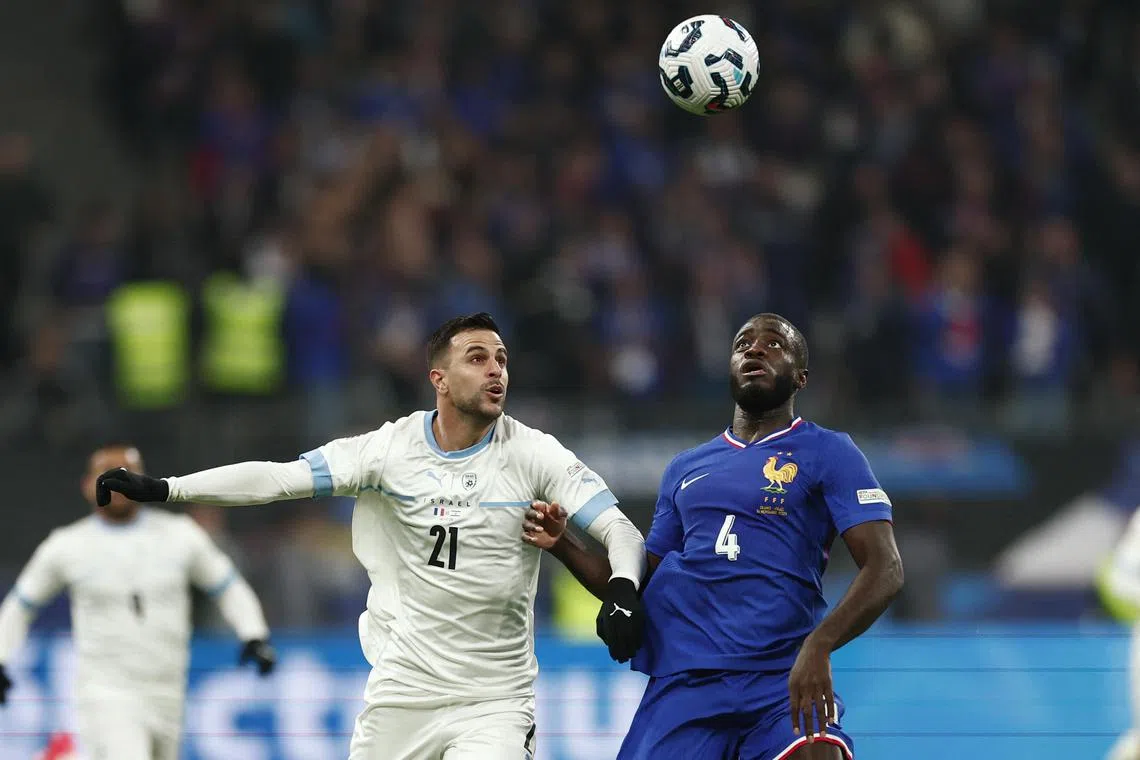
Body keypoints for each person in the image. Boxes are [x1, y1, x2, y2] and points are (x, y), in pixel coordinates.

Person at [97, 312, 647, 760]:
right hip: (402, 693)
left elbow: (618, 528)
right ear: (439, 378)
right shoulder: (388, 451)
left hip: (494, 701)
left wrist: (622, 587)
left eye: (501, 359)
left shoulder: (534, 453)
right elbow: (278, 478)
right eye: (477, 358)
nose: (495, 370)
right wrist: (166, 489)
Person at [525, 313, 904, 760]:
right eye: (743, 344)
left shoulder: (829, 451)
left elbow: (886, 568)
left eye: (774, 344)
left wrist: (820, 644)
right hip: (687, 681)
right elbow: (638, 580)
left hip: (779, 677)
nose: (756, 349)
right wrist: (563, 543)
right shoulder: (685, 468)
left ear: (801, 378)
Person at [0, 444, 275, 760]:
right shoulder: (66, 546)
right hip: (107, 693)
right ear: (87, 486)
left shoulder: (181, 536)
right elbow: (21, 605)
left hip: (168, 691)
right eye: (107, 477)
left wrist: (254, 633)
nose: (117, 486)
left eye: (126, 476)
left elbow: (227, 586)